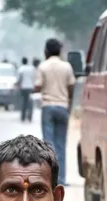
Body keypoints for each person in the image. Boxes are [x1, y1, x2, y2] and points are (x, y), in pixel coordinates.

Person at [35, 39, 76, 186]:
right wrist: (68, 102)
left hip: (48, 107)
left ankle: (48, 180)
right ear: (59, 51)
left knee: (48, 145)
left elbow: (37, 86)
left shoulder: (43, 66)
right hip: (63, 106)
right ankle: (61, 180)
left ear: (46, 51)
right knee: (60, 145)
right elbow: (71, 86)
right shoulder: (67, 67)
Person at [17, 57, 36, 123]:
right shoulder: (31, 68)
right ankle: (29, 117)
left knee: (23, 102)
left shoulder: (21, 69)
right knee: (30, 103)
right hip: (30, 87)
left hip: (23, 88)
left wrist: (18, 85)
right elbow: (34, 77)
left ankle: (23, 117)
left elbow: (19, 79)